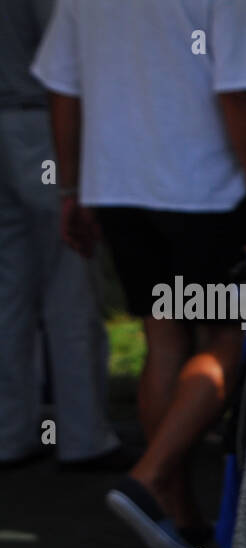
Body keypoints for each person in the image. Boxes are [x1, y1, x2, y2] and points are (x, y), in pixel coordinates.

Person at [32, 0, 246, 548]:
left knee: (164, 336)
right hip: (204, 190)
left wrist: (71, 188)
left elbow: (62, 90)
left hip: (119, 186)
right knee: (229, 338)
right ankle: (148, 479)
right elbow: (239, 93)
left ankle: (180, 514)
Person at [0, 0, 121, 470]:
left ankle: (11, 432)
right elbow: (65, 66)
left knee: (11, 292)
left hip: (20, 123)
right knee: (69, 285)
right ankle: (83, 435)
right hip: (40, 125)